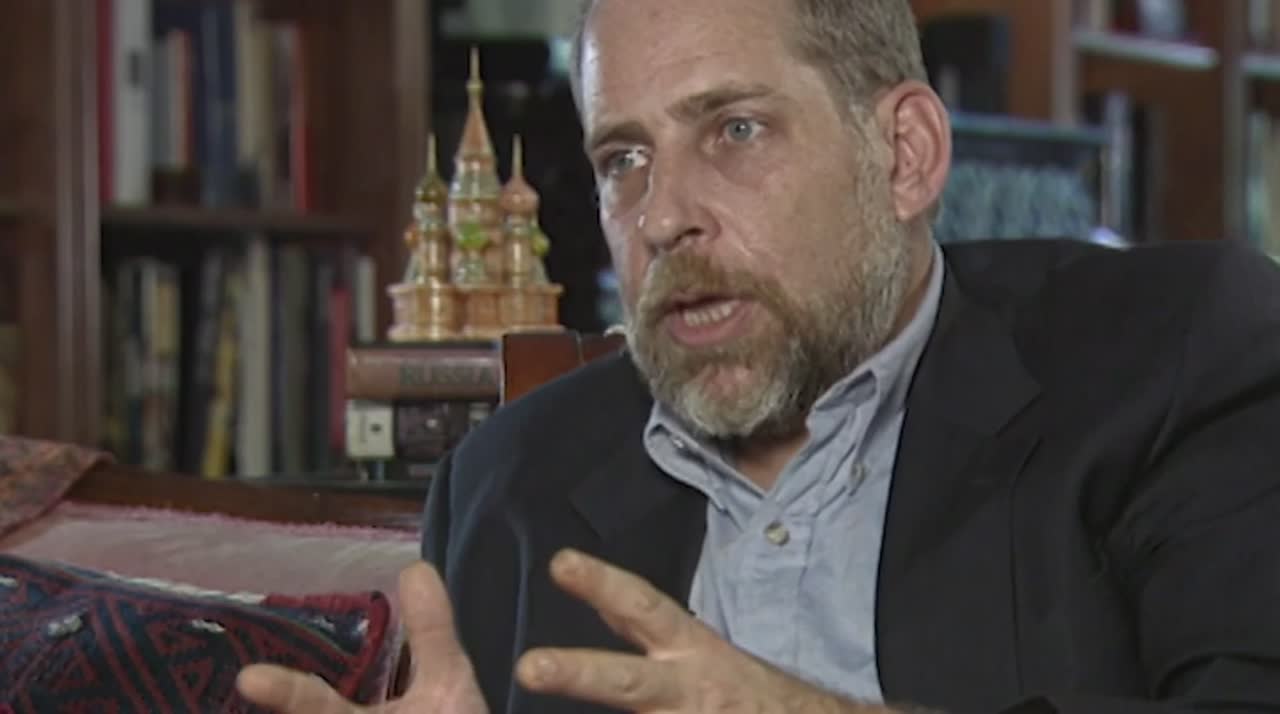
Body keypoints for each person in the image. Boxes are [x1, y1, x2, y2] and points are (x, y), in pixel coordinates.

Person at [236, 0, 1280, 711]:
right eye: (624, 158)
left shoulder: (1172, 358)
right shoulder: (507, 485)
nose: (662, 217)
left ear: (903, 155)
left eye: (734, 130)